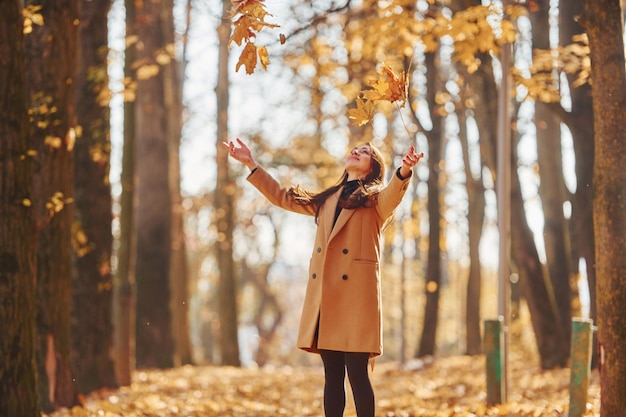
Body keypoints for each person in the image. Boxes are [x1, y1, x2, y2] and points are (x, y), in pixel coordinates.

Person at [223, 138, 423, 417]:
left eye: (365, 152)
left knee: (357, 374)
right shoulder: (328, 198)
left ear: (372, 167)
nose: (357, 151)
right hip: (326, 299)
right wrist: (250, 163)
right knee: (332, 376)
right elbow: (283, 197)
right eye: (356, 149)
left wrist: (403, 170)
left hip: (356, 300)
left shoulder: (375, 200)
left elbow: (393, 194)